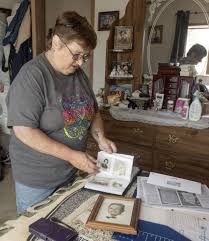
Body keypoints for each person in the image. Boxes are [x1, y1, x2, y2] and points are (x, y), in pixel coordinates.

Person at [6, 11, 117, 214]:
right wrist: (72, 156)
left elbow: (93, 112)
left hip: (70, 173)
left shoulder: (78, 74)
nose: (81, 62)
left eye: (85, 56)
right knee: (37, 230)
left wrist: (101, 138)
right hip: (38, 180)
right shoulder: (32, 76)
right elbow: (24, 131)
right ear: (56, 43)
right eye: (76, 55)